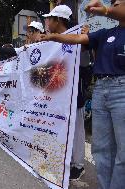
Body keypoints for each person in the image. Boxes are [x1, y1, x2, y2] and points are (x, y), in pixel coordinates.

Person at [39, 1, 125, 188]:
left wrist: (106, 10)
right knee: (101, 149)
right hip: (101, 90)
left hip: (121, 90)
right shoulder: (105, 34)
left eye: (119, 2)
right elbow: (78, 40)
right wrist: (52, 37)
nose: (114, 3)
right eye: (112, 2)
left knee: (123, 152)